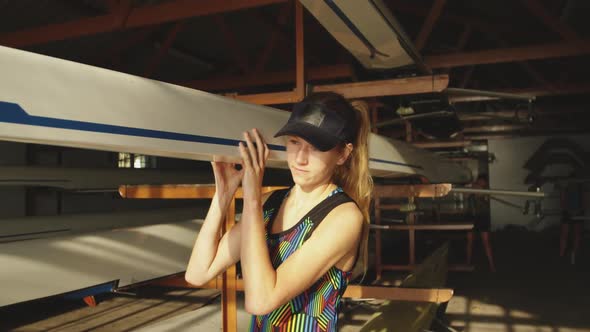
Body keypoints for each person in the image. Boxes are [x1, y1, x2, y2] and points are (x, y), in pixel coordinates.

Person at [185, 92, 373, 331]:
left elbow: (261, 301)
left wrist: (252, 197)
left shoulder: (343, 218)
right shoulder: (270, 204)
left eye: (315, 148)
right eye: (295, 142)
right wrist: (223, 195)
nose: (300, 159)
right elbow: (198, 273)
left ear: (343, 154)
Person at [466, 175, 496, 272]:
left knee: (486, 242)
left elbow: (485, 199)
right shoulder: (472, 188)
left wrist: (479, 191)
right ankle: (468, 263)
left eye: (482, 182)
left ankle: (492, 266)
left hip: (483, 217)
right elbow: (467, 195)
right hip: (471, 217)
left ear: (485, 183)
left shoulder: (486, 192)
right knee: (470, 242)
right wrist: (473, 188)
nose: (480, 184)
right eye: (479, 182)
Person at [558, 181, 585, 264]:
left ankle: (574, 252)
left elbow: (585, 201)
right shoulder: (565, 189)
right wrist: (568, 211)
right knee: (565, 234)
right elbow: (562, 202)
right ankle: (562, 254)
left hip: (578, 212)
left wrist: (578, 211)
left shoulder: (581, 189)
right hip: (568, 212)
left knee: (576, 234)